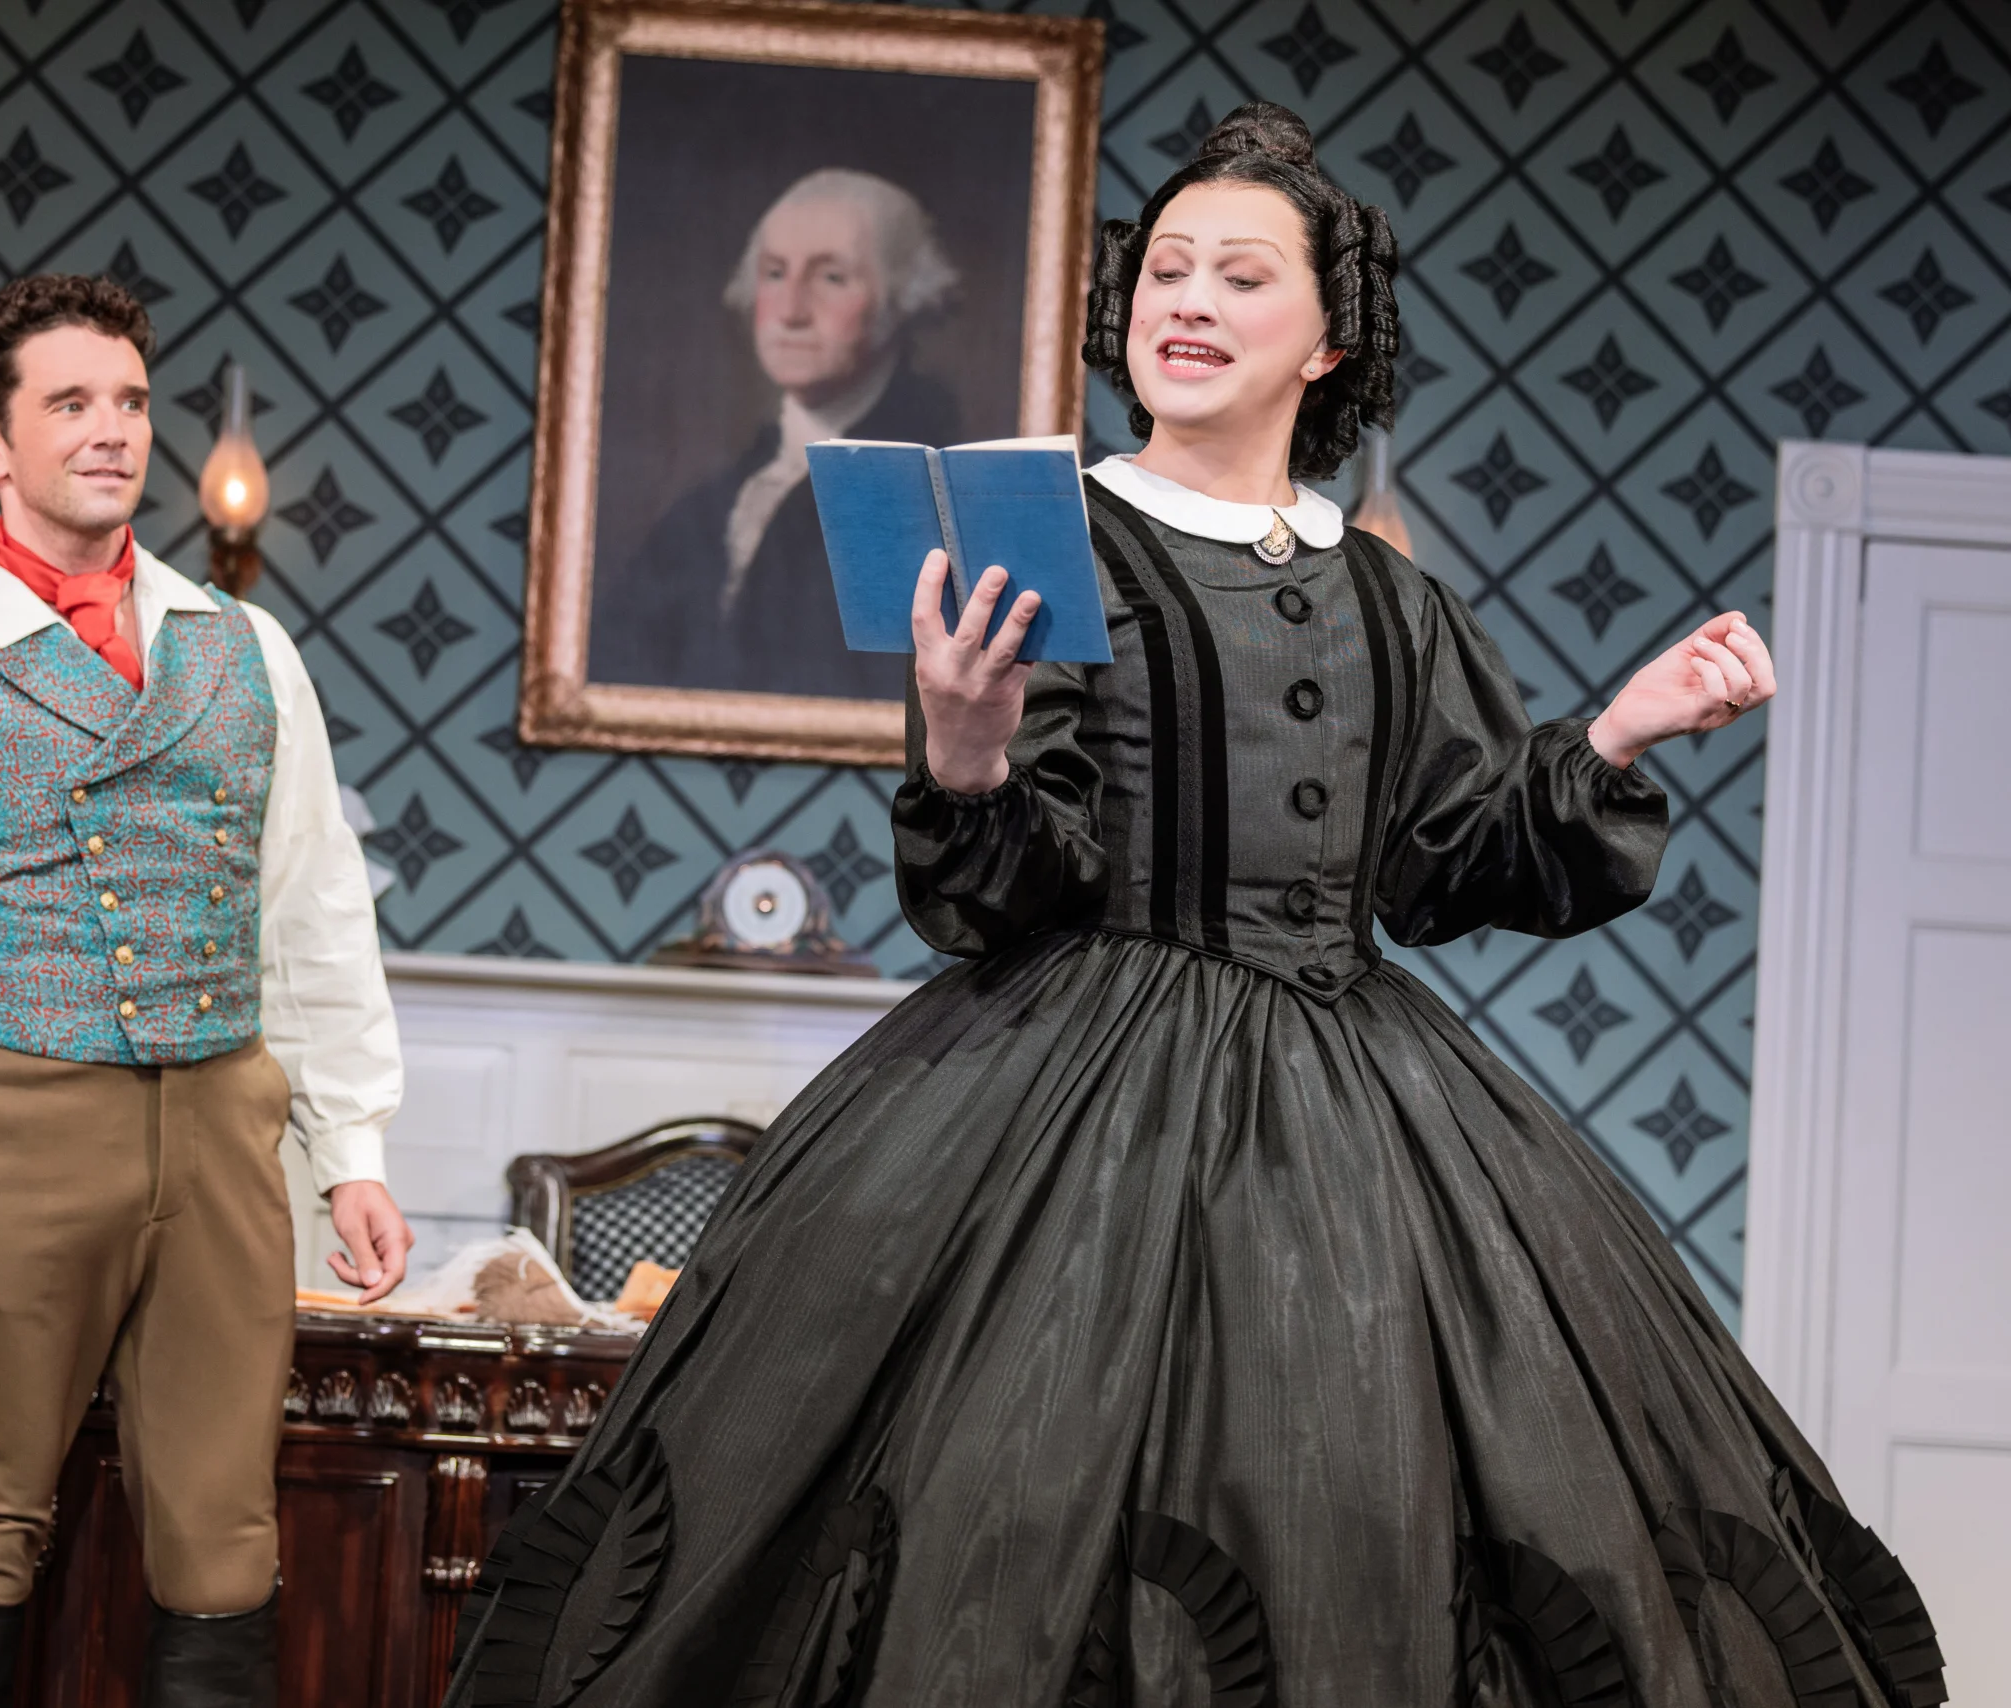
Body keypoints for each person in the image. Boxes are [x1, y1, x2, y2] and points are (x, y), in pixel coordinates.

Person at [442, 107, 1947, 1706]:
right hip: (1064, 1102)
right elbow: (999, 899)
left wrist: (1621, 730)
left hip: (1362, 1119)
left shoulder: (1389, 591)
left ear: (1325, 339)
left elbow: (1448, 858)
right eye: (1167, 270)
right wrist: (964, 749)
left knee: (1361, 1496)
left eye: (1241, 275)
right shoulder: (1048, 537)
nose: (1190, 302)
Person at [0, 274, 413, 1708]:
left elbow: (311, 908)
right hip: (14, 1129)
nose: (113, 429)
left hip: (221, 1137)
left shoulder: (243, 652)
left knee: (225, 1542)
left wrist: (351, 1152)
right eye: (69, 403)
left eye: (130, 400)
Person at [593, 167, 962, 701]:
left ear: (903, 299)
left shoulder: (922, 493)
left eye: (831, 277)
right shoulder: (713, 503)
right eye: (774, 273)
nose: (790, 312)